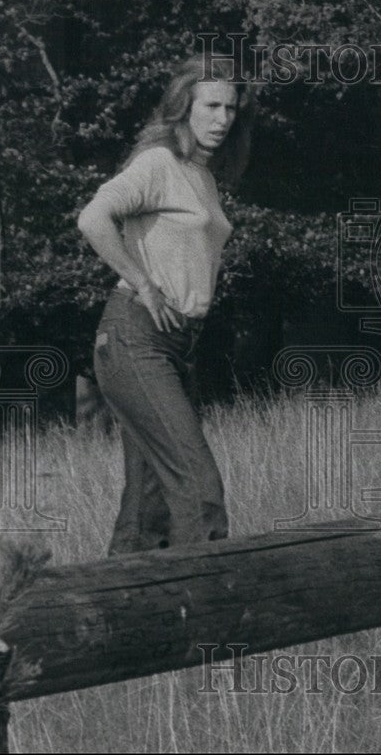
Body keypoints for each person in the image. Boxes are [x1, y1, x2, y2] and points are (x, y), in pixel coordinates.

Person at [77, 54, 254, 555]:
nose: (222, 119)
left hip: (178, 342)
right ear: (184, 107)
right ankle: (207, 616)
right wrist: (146, 284)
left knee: (147, 509)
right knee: (199, 491)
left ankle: (123, 620)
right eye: (211, 105)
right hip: (136, 333)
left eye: (231, 109)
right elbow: (93, 219)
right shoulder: (159, 163)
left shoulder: (204, 176)